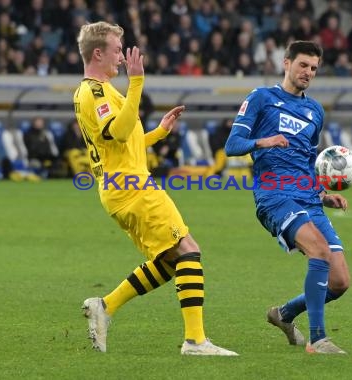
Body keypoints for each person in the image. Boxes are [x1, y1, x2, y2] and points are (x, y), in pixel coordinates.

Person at [73, 21, 237, 356]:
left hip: (123, 187)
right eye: (117, 50)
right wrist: (137, 83)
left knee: (169, 259)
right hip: (132, 189)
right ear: (99, 53)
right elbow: (119, 132)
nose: (123, 56)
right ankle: (195, 341)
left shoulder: (96, 92)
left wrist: (159, 132)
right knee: (188, 250)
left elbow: (123, 143)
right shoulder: (96, 92)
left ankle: (105, 306)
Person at [225, 40, 350, 354]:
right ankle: (318, 339)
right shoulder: (261, 98)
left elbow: (308, 160)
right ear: (287, 63)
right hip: (274, 196)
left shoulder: (314, 111)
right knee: (319, 252)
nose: (308, 72)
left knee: (339, 282)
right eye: (303, 65)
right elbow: (233, 144)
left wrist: (322, 194)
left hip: (307, 197)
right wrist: (264, 141)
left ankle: (284, 314)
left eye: (314, 68)